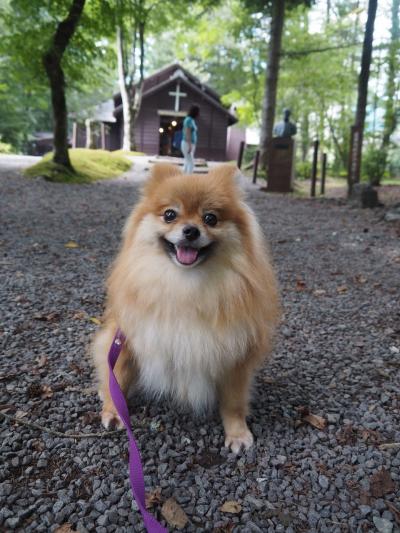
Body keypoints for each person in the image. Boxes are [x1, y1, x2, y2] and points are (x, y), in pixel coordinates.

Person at [181, 105, 199, 174]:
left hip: (189, 143)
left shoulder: (191, 120)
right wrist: (190, 145)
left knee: (187, 162)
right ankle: (188, 180)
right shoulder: (188, 120)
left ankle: (183, 179)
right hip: (187, 143)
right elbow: (187, 132)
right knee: (191, 164)